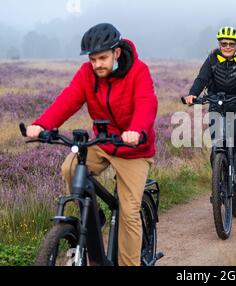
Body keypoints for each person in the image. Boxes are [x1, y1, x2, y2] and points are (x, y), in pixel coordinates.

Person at [26, 23, 158, 266]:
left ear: (116, 53)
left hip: (133, 149)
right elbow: (68, 99)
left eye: (103, 58)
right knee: (70, 168)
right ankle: (94, 217)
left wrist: (136, 131)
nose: (97, 64)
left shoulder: (138, 71)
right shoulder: (87, 73)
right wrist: (42, 125)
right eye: (93, 59)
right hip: (103, 142)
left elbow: (146, 103)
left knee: (129, 213)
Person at [184, 26, 236, 186]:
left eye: (231, 44)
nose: (228, 47)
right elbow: (201, 79)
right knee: (217, 140)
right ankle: (218, 174)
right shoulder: (211, 60)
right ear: (219, 44)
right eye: (224, 44)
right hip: (216, 103)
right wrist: (193, 94)